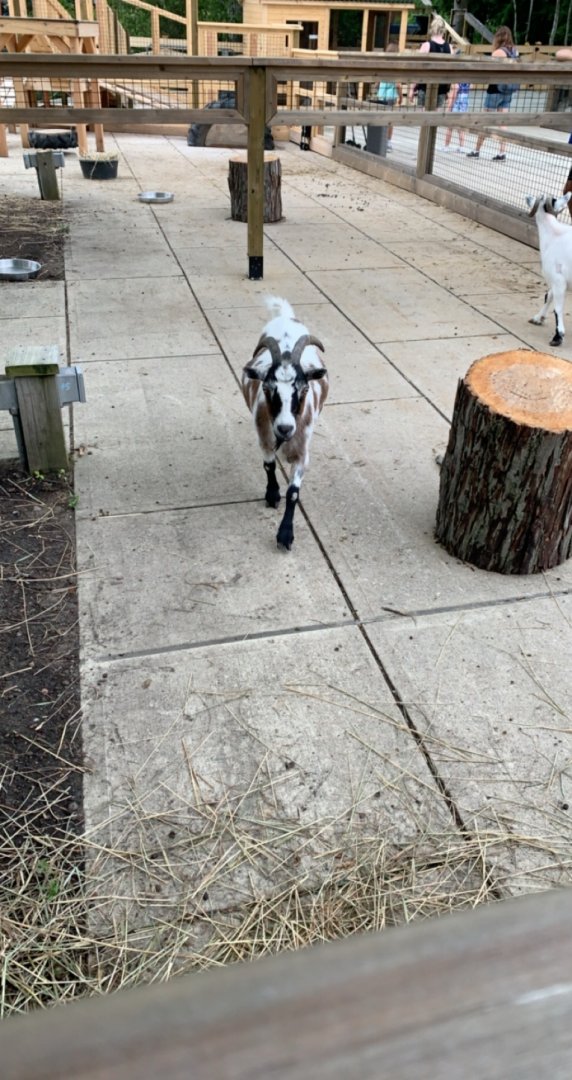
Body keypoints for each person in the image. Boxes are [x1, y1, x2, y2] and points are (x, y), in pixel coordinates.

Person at [467, 26, 519, 160]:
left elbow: (489, 70)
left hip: (495, 89)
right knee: (503, 122)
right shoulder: (515, 51)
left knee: (485, 120)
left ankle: (476, 150)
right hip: (508, 90)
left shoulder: (498, 53)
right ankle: (502, 152)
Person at [409, 16, 452, 110]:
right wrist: (449, 90)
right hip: (442, 88)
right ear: (443, 30)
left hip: (425, 86)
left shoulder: (426, 46)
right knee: (436, 115)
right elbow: (450, 71)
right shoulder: (450, 48)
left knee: (423, 114)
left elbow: (418, 69)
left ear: (432, 29)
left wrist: (412, 88)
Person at [373, 42, 402, 151]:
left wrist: (377, 89)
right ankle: (388, 142)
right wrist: (401, 97)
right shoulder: (397, 68)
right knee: (390, 120)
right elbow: (398, 85)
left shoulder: (382, 65)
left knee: (381, 117)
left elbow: (377, 83)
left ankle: (379, 140)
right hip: (391, 97)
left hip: (381, 96)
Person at [442, 81, 470, 151]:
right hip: (464, 104)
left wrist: (449, 107)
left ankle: (446, 146)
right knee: (460, 127)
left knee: (450, 127)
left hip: (456, 105)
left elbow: (453, 95)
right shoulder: (468, 82)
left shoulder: (456, 82)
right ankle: (462, 147)